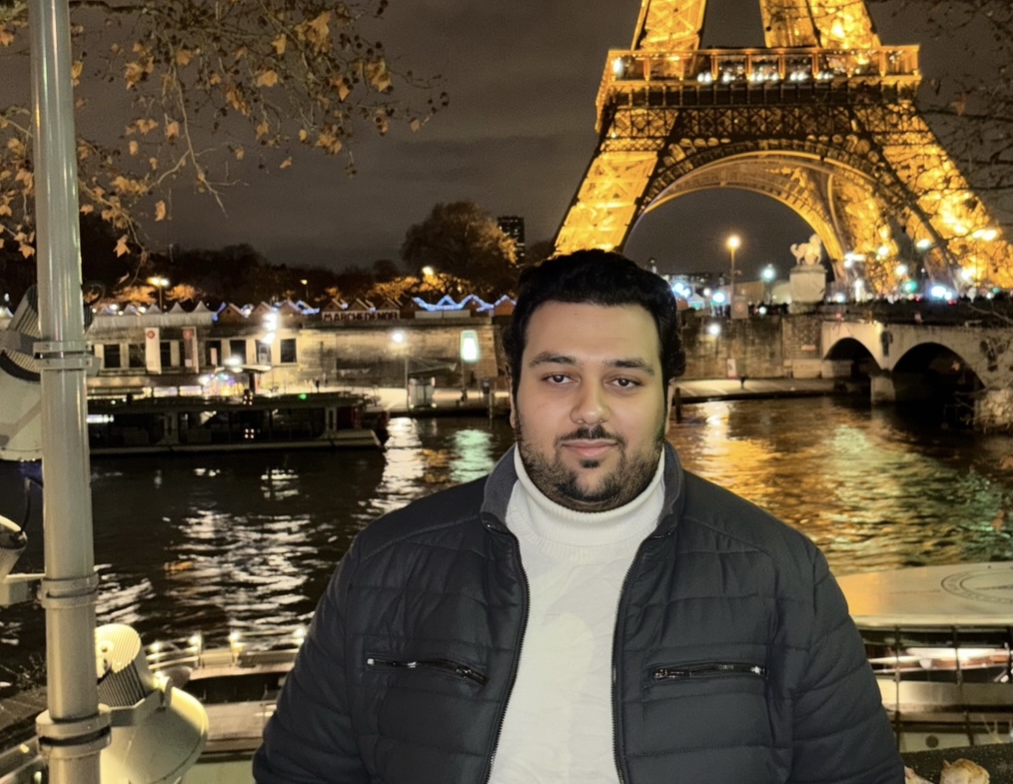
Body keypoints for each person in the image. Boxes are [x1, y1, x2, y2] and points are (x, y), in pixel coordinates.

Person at [254, 250, 903, 783]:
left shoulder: (786, 575)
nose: (590, 410)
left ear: (669, 397)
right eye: (558, 378)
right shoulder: (380, 564)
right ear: (511, 396)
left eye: (624, 380)